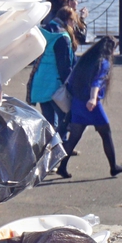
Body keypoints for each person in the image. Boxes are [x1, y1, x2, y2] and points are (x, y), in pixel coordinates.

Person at [56, 35, 122, 180]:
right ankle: (113, 166)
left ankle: (62, 167)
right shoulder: (104, 63)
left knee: (74, 137)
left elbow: (71, 80)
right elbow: (97, 82)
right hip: (90, 105)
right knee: (106, 133)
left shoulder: (85, 60)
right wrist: (93, 98)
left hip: (77, 103)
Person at [27, 11, 75, 147]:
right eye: (73, 22)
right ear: (69, 21)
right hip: (55, 84)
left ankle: (48, 150)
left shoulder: (42, 32)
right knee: (64, 119)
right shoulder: (62, 37)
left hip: (39, 81)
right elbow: (64, 66)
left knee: (48, 121)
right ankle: (60, 148)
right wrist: (70, 86)